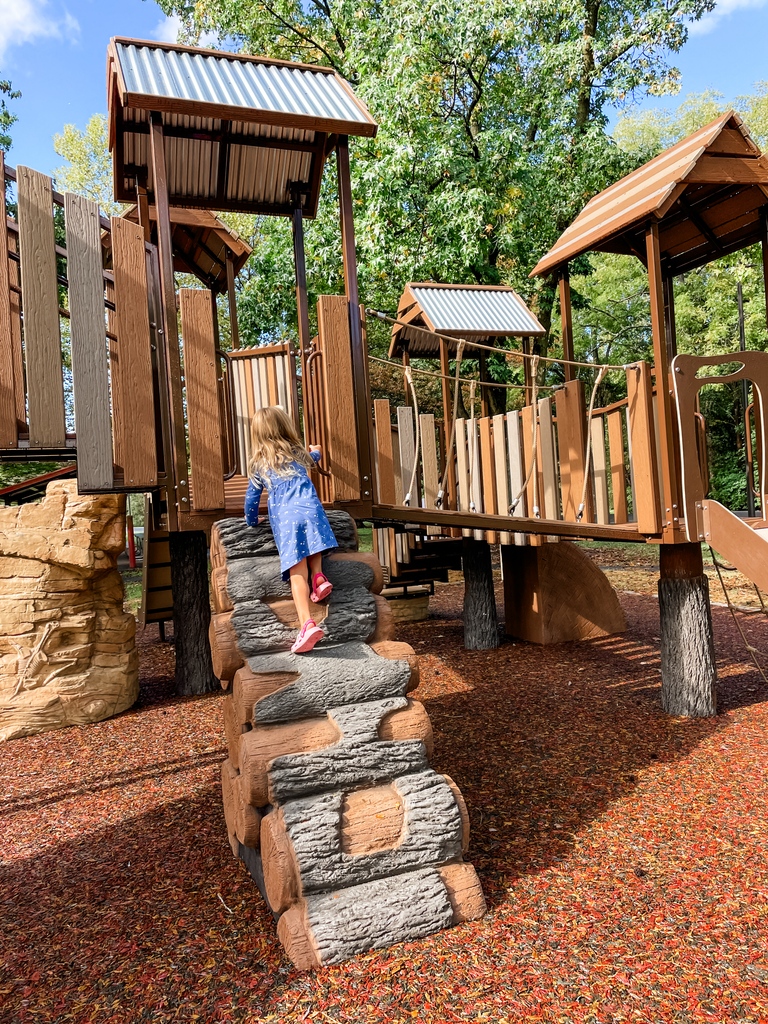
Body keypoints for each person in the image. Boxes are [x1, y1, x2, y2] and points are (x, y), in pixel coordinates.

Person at [244, 406, 338, 654]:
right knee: (314, 546)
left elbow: (252, 500)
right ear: (285, 427)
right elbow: (314, 458)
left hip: (287, 520)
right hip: (312, 511)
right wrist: (316, 450)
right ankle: (319, 577)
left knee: (298, 573)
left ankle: (307, 623)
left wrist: (251, 521)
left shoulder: (258, 464)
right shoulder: (298, 454)